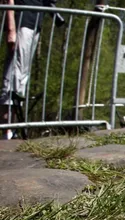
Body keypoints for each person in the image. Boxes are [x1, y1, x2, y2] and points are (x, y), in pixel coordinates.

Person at [1, 0, 61, 139]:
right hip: (21, 23)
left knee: (22, 78)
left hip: (35, 25)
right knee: (13, 75)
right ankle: (6, 131)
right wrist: (11, 28)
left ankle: (13, 128)